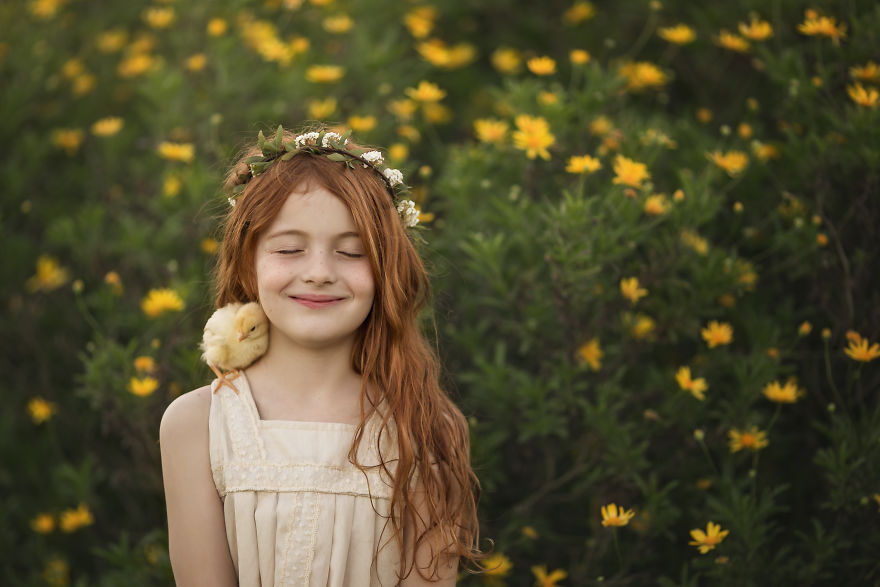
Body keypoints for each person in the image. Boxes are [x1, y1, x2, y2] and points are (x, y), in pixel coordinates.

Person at [159, 126, 481, 586]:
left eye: (351, 252)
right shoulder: (197, 424)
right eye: (289, 249)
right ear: (249, 261)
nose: (319, 273)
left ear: (386, 269)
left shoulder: (424, 425)